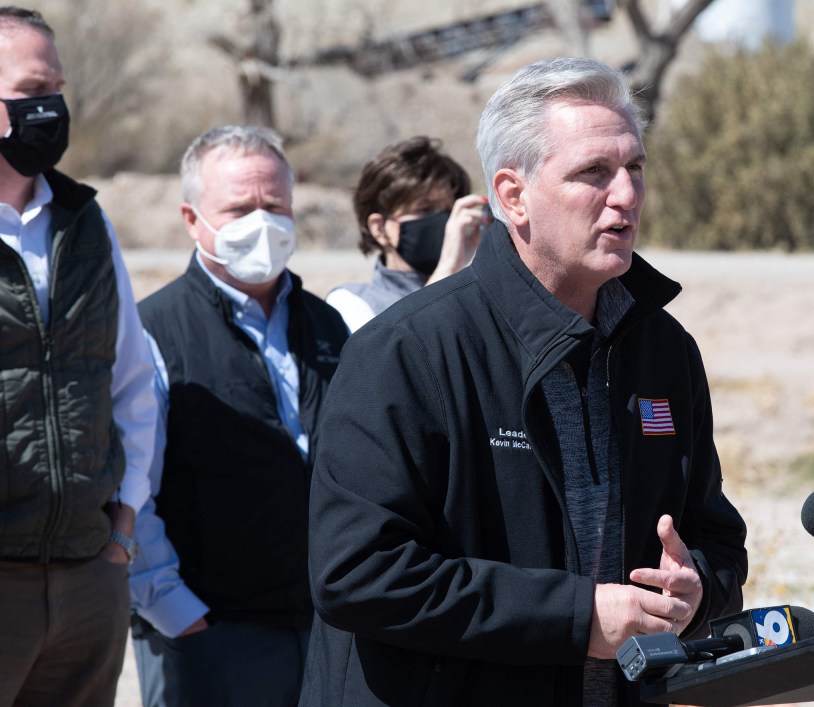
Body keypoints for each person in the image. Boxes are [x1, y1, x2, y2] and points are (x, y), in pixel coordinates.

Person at [299, 57, 748, 706]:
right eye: (594, 172)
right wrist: (576, 618)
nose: (625, 195)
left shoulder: (664, 351)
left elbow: (716, 534)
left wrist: (698, 588)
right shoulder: (404, 353)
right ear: (512, 196)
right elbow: (358, 573)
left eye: (635, 169)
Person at [129, 125, 350, 706]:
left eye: (275, 205)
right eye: (239, 208)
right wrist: (175, 611)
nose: (263, 222)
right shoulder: (151, 331)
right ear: (192, 219)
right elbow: (129, 489)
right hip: (210, 634)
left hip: (322, 628)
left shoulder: (328, 327)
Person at [0, 7, 157, 706]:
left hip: (87, 578)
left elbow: (132, 380)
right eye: (34, 88)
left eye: (57, 88)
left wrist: (122, 529)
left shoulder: (86, 222)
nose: (52, 109)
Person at [325, 136, 490, 332]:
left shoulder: (475, 296)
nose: (445, 222)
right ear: (379, 228)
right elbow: (401, 352)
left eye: (449, 210)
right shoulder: (352, 303)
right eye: (425, 209)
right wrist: (447, 267)